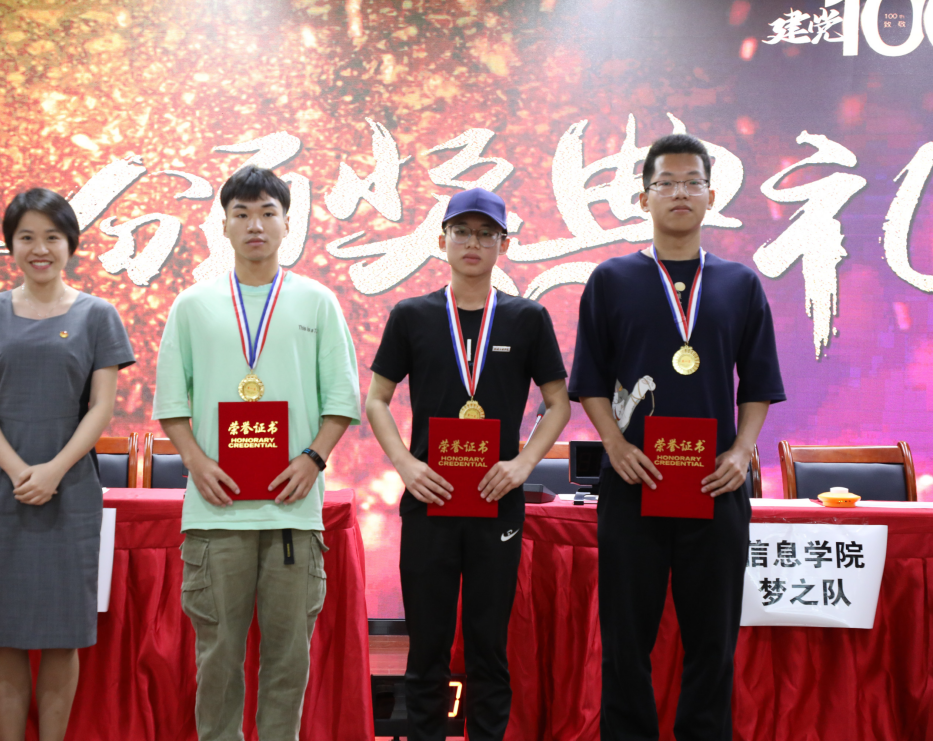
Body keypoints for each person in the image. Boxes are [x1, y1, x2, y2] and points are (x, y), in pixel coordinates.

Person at [569, 134, 786, 741]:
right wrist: (615, 445)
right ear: (644, 198)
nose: (680, 193)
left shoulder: (740, 284)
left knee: (713, 643)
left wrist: (742, 452)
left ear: (712, 196)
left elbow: (759, 384)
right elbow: (589, 380)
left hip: (715, 486)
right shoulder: (611, 280)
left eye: (693, 182)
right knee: (625, 642)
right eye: (666, 183)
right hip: (632, 484)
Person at [153, 165, 360, 741]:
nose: (255, 225)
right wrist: (195, 461)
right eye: (241, 213)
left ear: (287, 224)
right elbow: (170, 401)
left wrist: (313, 459)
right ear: (223, 225)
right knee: (218, 661)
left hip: (292, 512)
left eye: (268, 213)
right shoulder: (193, 304)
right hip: (216, 512)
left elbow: (342, 400)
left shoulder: (317, 302)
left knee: (288, 662)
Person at [366, 188, 571, 741]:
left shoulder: (528, 318)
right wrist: (406, 465)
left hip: (496, 501)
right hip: (428, 499)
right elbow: (377, 400)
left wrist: (524, 464)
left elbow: (558, 403)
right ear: (442, 241)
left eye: (486, 234)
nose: (473, 243)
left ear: (505, 244)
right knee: (427, 649)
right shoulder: (412, 315)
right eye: (462, 232)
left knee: (488, 647)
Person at [0, 188, 135, 741]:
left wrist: (54, 470)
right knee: (2, 634)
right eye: (26, 237)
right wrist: (16, 470)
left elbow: (101, 407)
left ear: (70, 244)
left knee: (63, 635)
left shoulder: (98, 315)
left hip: (71, 489)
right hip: (1, 490)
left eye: (52, 237)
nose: (40, 249)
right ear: (10, 245)